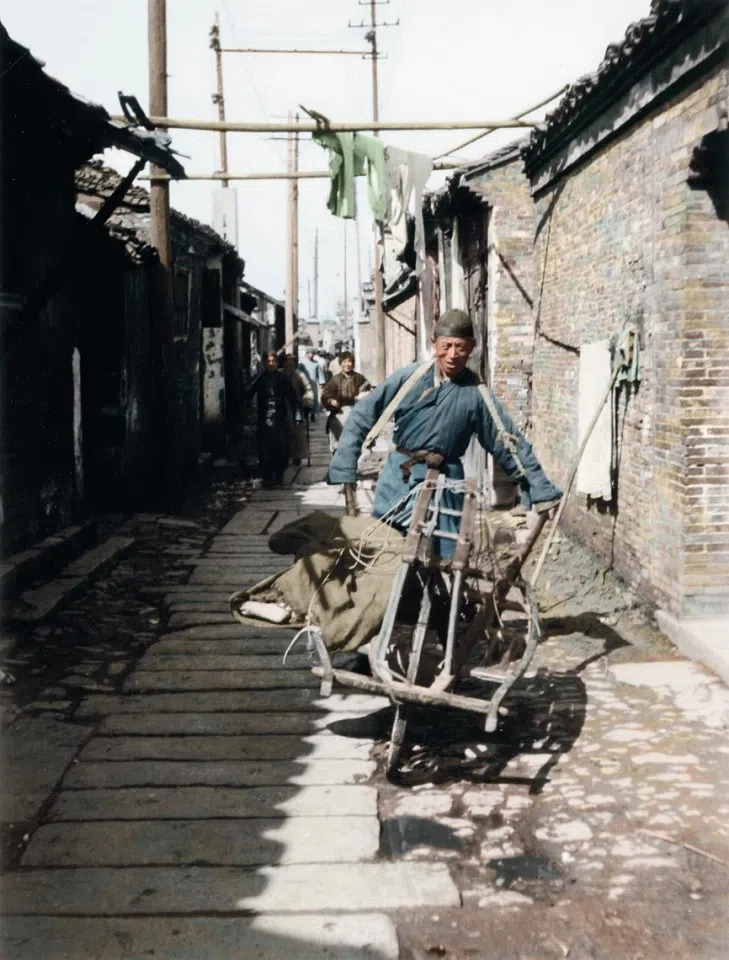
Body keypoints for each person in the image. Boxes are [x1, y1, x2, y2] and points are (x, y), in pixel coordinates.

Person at [327, 309, 562, 554]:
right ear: (434, 343)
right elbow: (361, 415)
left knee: (446, 559)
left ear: (472, 347)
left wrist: (541, 488)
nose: (452, 355)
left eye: (460, 347)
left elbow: (509, 443)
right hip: (400, 478)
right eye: (446, 346)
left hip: (447, 483)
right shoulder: (409, 378)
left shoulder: (477, 394)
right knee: (385, 554)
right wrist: (346, 468)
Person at [247, 351, 298, 487]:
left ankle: (279, 476)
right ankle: (267, 477)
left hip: (279, 418)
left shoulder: (282, 378)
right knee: (265, 449)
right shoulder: (260, 379)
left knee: (280, 448)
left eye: (273, 361)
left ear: (277, 363)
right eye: (269, 361)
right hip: (264, 419)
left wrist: (298, 414)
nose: (271, 364)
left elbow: (292, 396)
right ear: (265, 363)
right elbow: (248, 393)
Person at [320, 351, 371, 454]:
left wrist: (364, 396)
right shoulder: (335, 380)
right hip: (339, 414)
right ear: (340, 364)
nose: (347, 364)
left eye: (349, 361)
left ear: (353, 363)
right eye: (344, 362)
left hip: (356, 413)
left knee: (355, 444)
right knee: (338, 445)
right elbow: (325, 395)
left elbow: (369, 391)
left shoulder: (359, 378)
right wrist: (331, 401)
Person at [282, 354, 313, 466]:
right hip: (281, 407)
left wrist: (307, 402)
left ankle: (297, 456)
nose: (289, 365)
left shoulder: (300, 375)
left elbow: (308, 389)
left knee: (297, 433)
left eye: (292, 363)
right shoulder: (279, 374)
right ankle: (284, 455)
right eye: (287, 362)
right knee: (283, 433)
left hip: (296, 407)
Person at [298, 350, 326, 421]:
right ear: (307, 354)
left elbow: (320, 373)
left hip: (313, 384)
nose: (311, 355)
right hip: (304, 383)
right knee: (305, 398)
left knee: (314, 399)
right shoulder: (302, 364)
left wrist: (321, 382)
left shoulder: (316, 363)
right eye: (310, 353)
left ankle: (313, 414)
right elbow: (298, 372)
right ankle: (305, 414)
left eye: (312, 354)